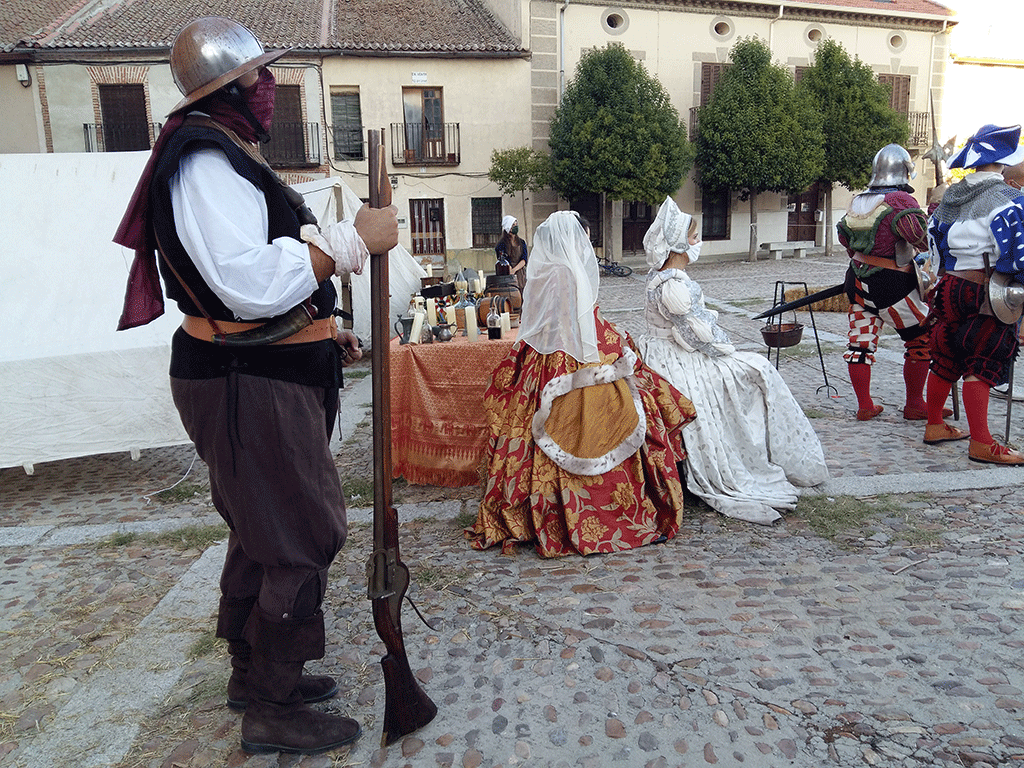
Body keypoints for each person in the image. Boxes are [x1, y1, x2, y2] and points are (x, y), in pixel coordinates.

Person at [113, 17, 398, 754]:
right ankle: (270, 706)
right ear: (229, 88)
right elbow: (243, 282)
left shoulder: (221, 149)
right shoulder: (204, 158)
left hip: (256, 364)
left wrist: (314, 326)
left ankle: (251, 674)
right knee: (303, 534)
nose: (268, 88)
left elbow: (251, 275)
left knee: (263, 531)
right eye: (258, 77)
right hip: (244, 379)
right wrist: (347, 245)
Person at [465, 210, 695, 557]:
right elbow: (582, 319)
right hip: (575, 354)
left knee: (533, 430)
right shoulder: (569, 272)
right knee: (610, 418)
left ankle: (544, 508)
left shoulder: (545, 272)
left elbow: (544, 320)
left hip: (547, 357)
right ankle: (608, 509)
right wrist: (613, 339)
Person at [637, 197, 828, 525]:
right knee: (756, 370)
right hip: (676, 358)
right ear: (680, 244)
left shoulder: (663, 278)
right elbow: (697, 336)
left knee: (752, 368)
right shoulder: (672, 284)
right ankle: (753, 454)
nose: (698, 243)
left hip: (669, 350)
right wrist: (728, 351)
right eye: (694, 237)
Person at [924, 124, 1024, 465]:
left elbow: (934, 240)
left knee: (947, 353)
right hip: (987, 288)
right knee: (982, 359)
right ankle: (982, 443)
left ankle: (935, 423)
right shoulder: (1009, 199)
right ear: (1003, 159)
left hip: (950, 285)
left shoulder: (951, 197)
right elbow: (1016, 254)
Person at [836, 144, 940, 422]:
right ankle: (916, 404)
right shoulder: (901, 203)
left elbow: (844, 238)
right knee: (921, 340)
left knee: (861, 344)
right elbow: (920, 239)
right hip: (894, 287)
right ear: (905, 171)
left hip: (857, 284)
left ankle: (865, 405)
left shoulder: (858, 201)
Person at [495, 214, 528, 291]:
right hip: (507, 275)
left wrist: (515, 270)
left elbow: (524, 259)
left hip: (520, 274)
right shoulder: (501, 244)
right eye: (513, 225)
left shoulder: (521, 242)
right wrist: (511, 271)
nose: (516, 226)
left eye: (516, 224)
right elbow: (503, 260)